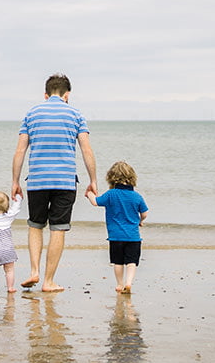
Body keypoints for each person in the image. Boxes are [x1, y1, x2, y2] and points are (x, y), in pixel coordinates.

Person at [11, 73, 97, 292]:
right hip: (65, 181)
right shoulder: (76, 114)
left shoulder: (32, 113)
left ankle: (34, 271)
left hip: (37, 180)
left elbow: (21, 149)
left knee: (35, 225)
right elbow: (86, 150)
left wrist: (15, 180)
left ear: (46, 94)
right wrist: (93, 180)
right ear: (67, 95)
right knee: (57, 229)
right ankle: (48, 281)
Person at [84, 161, 149, 294]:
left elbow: (96, 202)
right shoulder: (137, 196)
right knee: (132, 262)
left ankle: (119, 284)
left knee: (118, 262)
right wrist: (139, 221)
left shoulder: (111, 194)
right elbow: (145, 213)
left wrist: (89, 193)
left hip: (115, 236)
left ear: (111, 178)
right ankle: (128, 283)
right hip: (133, 237)